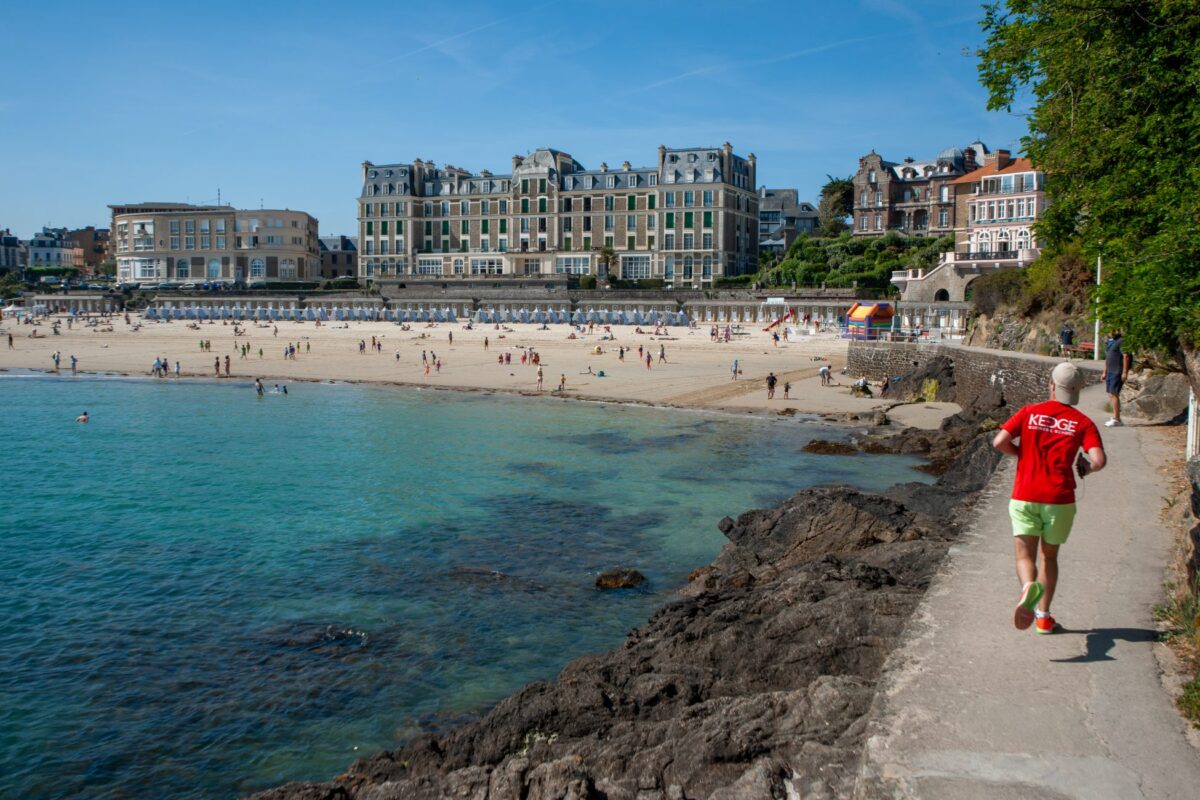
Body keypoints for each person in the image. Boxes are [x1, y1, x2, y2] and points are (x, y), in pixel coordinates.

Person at [992, 361, 1106, 633]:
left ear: (1052, 386)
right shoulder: (1083, 423)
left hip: (1025, 495)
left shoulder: (1030, 412)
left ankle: (1028, 586)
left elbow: (998, 442)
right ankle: (1043, 617)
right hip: (1059, 499)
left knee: (1024, 556)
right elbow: (1099, 460)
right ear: (1076, 391)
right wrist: (1086, 469)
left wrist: (1020, 454)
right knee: (1050, 557)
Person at [1101, 330, 1131, 427]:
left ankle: (1117, 419)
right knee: (1110, 393)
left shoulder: (1122, 341)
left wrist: (1125, 372)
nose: (1112, 332)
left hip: (1117, 371)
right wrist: (1104, 372)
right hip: (1110, 371)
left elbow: (1125, 356)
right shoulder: (1110, 342)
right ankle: (1115, 417)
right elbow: (1107, 357)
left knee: (1114, 393)